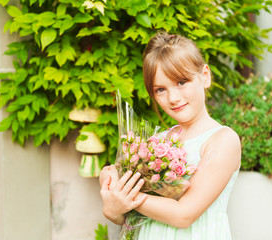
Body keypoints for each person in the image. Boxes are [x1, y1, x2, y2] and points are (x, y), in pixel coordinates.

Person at [99, 33, 241, 240]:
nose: (173, 98)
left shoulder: (222, 140)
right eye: (160, 90)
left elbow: (184, 215)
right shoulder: (158, 142)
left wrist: (128, 195)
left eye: (182, 82)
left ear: (205, 76)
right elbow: (132, 216)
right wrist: (113, 200)